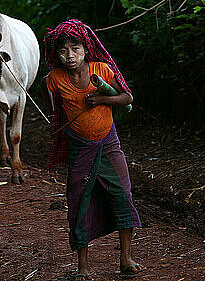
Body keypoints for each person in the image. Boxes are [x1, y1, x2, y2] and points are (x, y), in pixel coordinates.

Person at [42, 19, 144, 281]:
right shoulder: (54, 80)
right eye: (63, 52)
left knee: (122, 193)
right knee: (79, 201)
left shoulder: (103, 70)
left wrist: (101, 99)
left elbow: (127, 97)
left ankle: (126, 258)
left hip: (108, 142)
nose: (70, 56)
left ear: (85, 49)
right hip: (80, 146)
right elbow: (56, 112)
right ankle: (83, 267)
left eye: (75, 49)